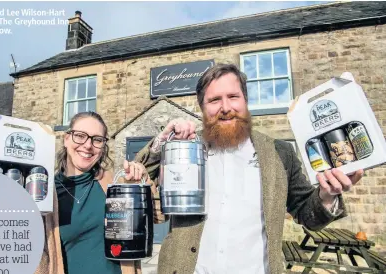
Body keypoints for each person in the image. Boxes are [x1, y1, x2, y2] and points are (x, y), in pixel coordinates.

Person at [134, 64, 364, 274]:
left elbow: (306, 213)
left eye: (233, 96)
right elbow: (136, 174)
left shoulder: (279, 152)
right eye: (214, 100)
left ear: (245, 100)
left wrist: (326, 196)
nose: (225, 107)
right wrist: (163, 141)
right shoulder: (185, 147)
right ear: (202, 106)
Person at [36, 111, 153, 274]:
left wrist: (142, 183)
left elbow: (157, 216)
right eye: (80, 135)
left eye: (97, 139)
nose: (88, 145)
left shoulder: (113, 183)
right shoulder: (47, 194)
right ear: (66, 139)